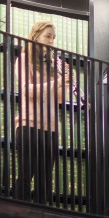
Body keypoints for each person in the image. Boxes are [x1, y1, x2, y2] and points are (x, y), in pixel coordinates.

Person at [14, 21, 68, 205]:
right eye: (48, 36)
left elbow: (59, 99)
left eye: (53, 38)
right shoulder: (23, 60)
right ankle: (19, 213)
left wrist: (66, 83)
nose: (51, 41)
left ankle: (42, 216)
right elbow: (26, 90)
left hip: (50, 127)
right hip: (28, 124)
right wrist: (57, 83)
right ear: (35, 36)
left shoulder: (52, 66)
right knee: (26, 174)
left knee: (45, 180)